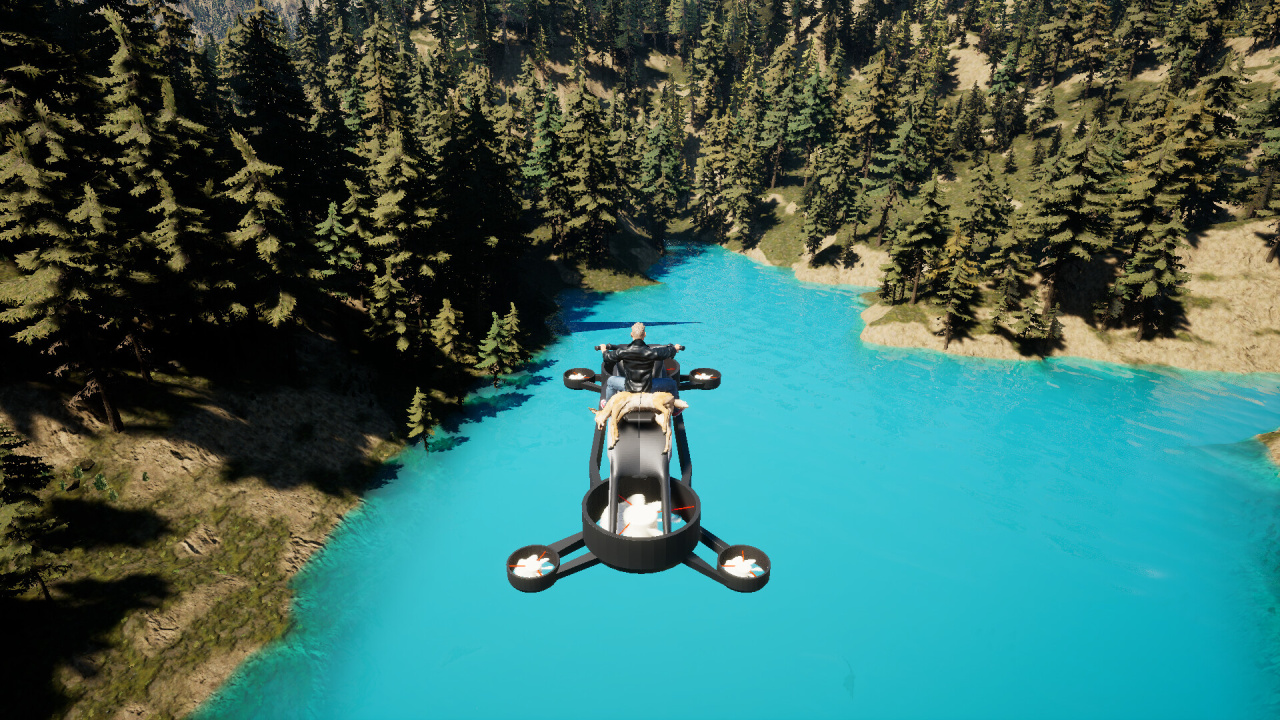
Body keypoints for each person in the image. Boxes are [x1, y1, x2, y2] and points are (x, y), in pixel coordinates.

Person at [596, 323, 683, 405]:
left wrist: (603, 349)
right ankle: (676, 409)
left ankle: (607, 405)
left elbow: (607, 356)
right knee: (672, 384)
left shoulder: (623, 352)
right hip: (648, 388)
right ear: (645, 334)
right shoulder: (651, 352)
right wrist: (675, 348)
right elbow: (668, 352)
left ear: (631, 334)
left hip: (629, 387)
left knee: (610, 381)